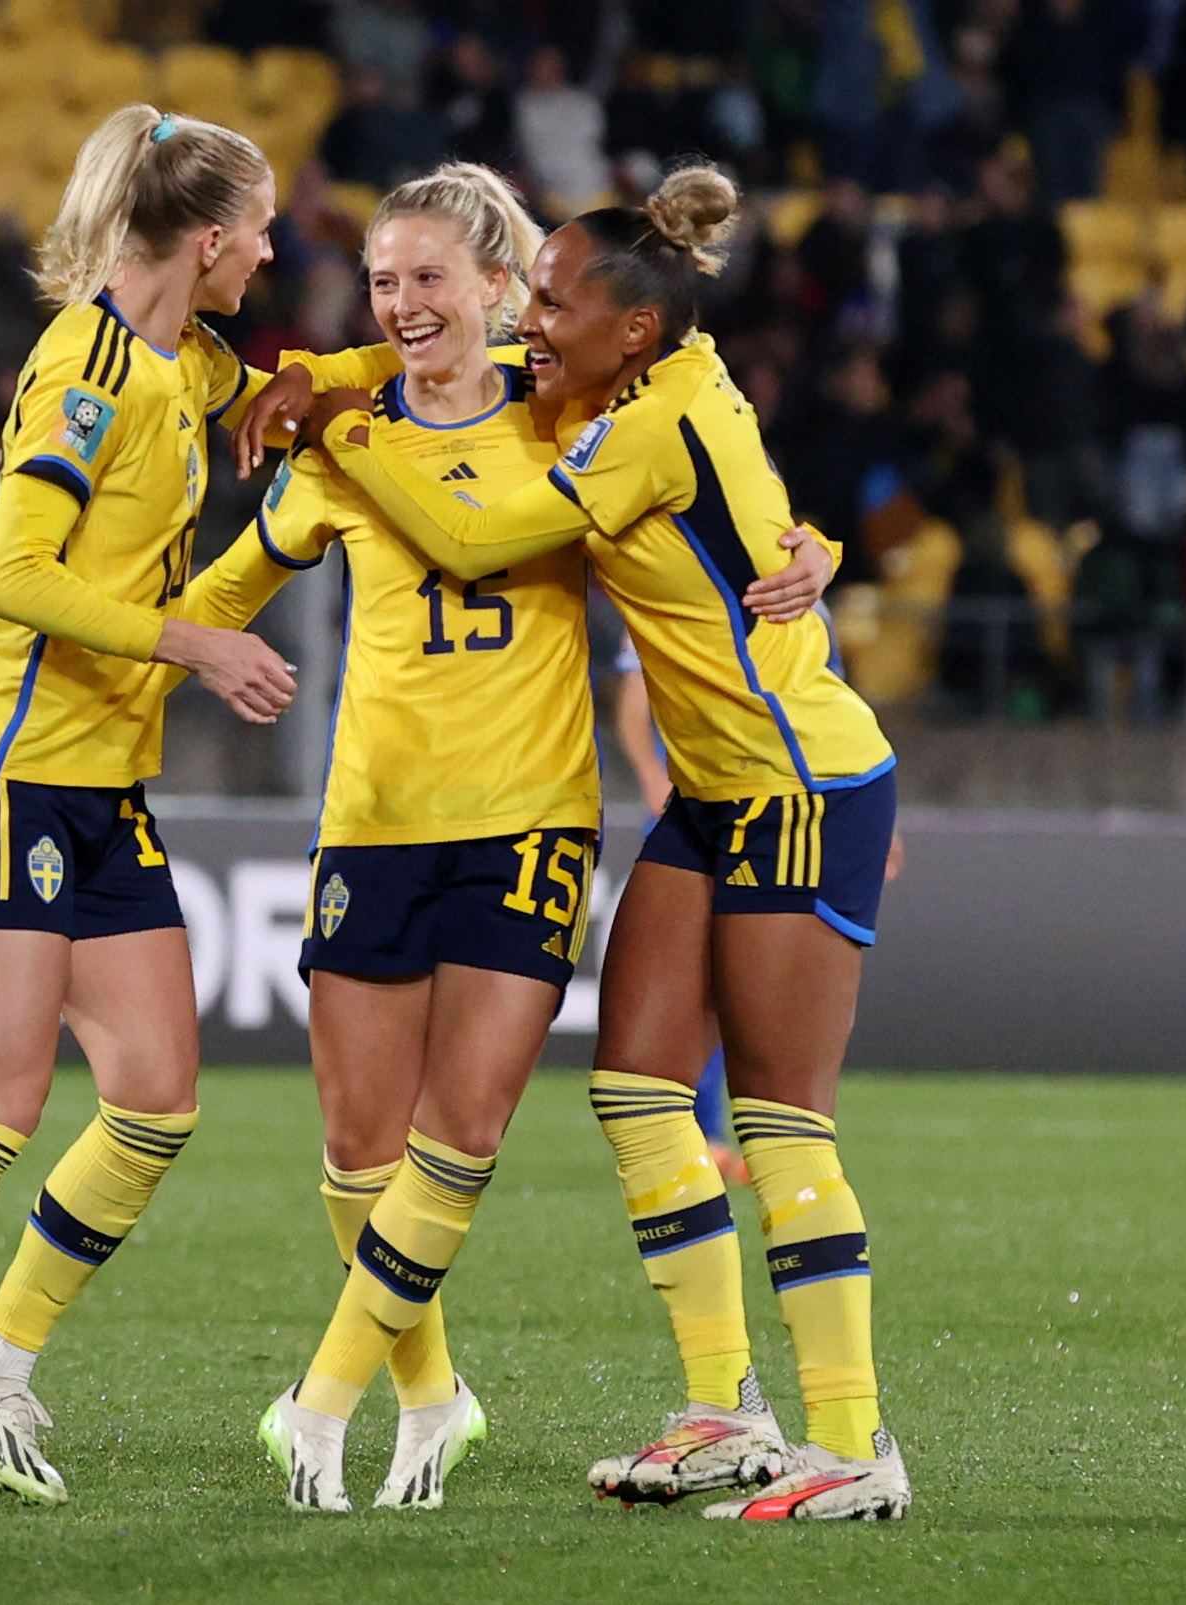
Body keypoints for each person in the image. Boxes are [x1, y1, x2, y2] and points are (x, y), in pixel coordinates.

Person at [289, 166, 912, 1521]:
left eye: (554, 296)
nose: (528, 313)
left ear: (630, 325)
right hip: (716, 785)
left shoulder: (651, 417)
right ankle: (719, 1408)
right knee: (635, 1090)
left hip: (799, 786)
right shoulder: (634, 374)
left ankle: (857, 1445)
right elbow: (763, 533)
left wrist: (339, 437)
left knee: (779, 1120)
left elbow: (469, 531)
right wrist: (818, 552)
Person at [0, 104, 380, 1518]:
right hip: (2, 773)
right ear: (206, 240)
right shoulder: (80, 371)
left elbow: (302, 379)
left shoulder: (182, 360)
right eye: (259, 231)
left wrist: (452, 344)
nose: (270, 254)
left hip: (100, 789)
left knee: (153, 1099)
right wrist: (190, 640)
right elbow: (10, 579)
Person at [182, 163, 735, 1513]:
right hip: (370, 822)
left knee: (460, 1132)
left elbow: (698, 430)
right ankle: (431, 1397)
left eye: (431, 276)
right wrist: (174, 644)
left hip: (528, 823)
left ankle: (314, 1407)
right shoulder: (335, 449)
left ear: (499, 288)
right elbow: (221, 591)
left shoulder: (566, 423)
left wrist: (803, 567)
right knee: (358, 1150)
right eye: (383, 281)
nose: (403, 302)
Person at [609, 630, 746, 1186]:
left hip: (767, 807)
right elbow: (633, 704)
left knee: (743, 977)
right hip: (693, 810)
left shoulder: (798, 591)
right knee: (698, 977)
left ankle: (742, 1133)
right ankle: (695, 1129)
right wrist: (650, 778)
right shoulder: (659, 584)